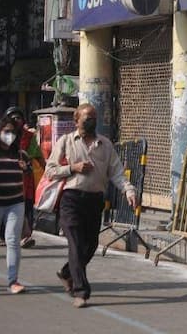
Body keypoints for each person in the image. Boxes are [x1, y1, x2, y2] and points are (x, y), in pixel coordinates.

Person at [45, 103, 138, 308]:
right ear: (76, 120)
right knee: (76, 243)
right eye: (87, 118)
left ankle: (67, 272)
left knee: (90, 245)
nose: (91, 122)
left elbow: (117, 173)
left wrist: (129, 191)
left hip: (95, 201)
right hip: (71, 199)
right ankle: (81, 291)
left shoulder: (105, 145)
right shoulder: (66, 141)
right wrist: (72, 168)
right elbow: (50, 170)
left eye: (94, 118)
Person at [0, 115, 30, 294]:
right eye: (6, 131)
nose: (10, 135)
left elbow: (28, 170)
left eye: (13, 132)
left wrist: (25, 168)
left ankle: (13, 281)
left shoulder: (20, 154)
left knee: (12, 241)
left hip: (15, 203)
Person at [5, 107, 45, 249]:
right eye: (13, 118)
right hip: (7, 177)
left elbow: (37, 154)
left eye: (19, 117)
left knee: (26, 206)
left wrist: (47, 170)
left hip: (26, 177)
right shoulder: (5, 134)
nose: (16, 120)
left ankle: (25, 235)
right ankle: (15, 235)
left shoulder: (29, 136)